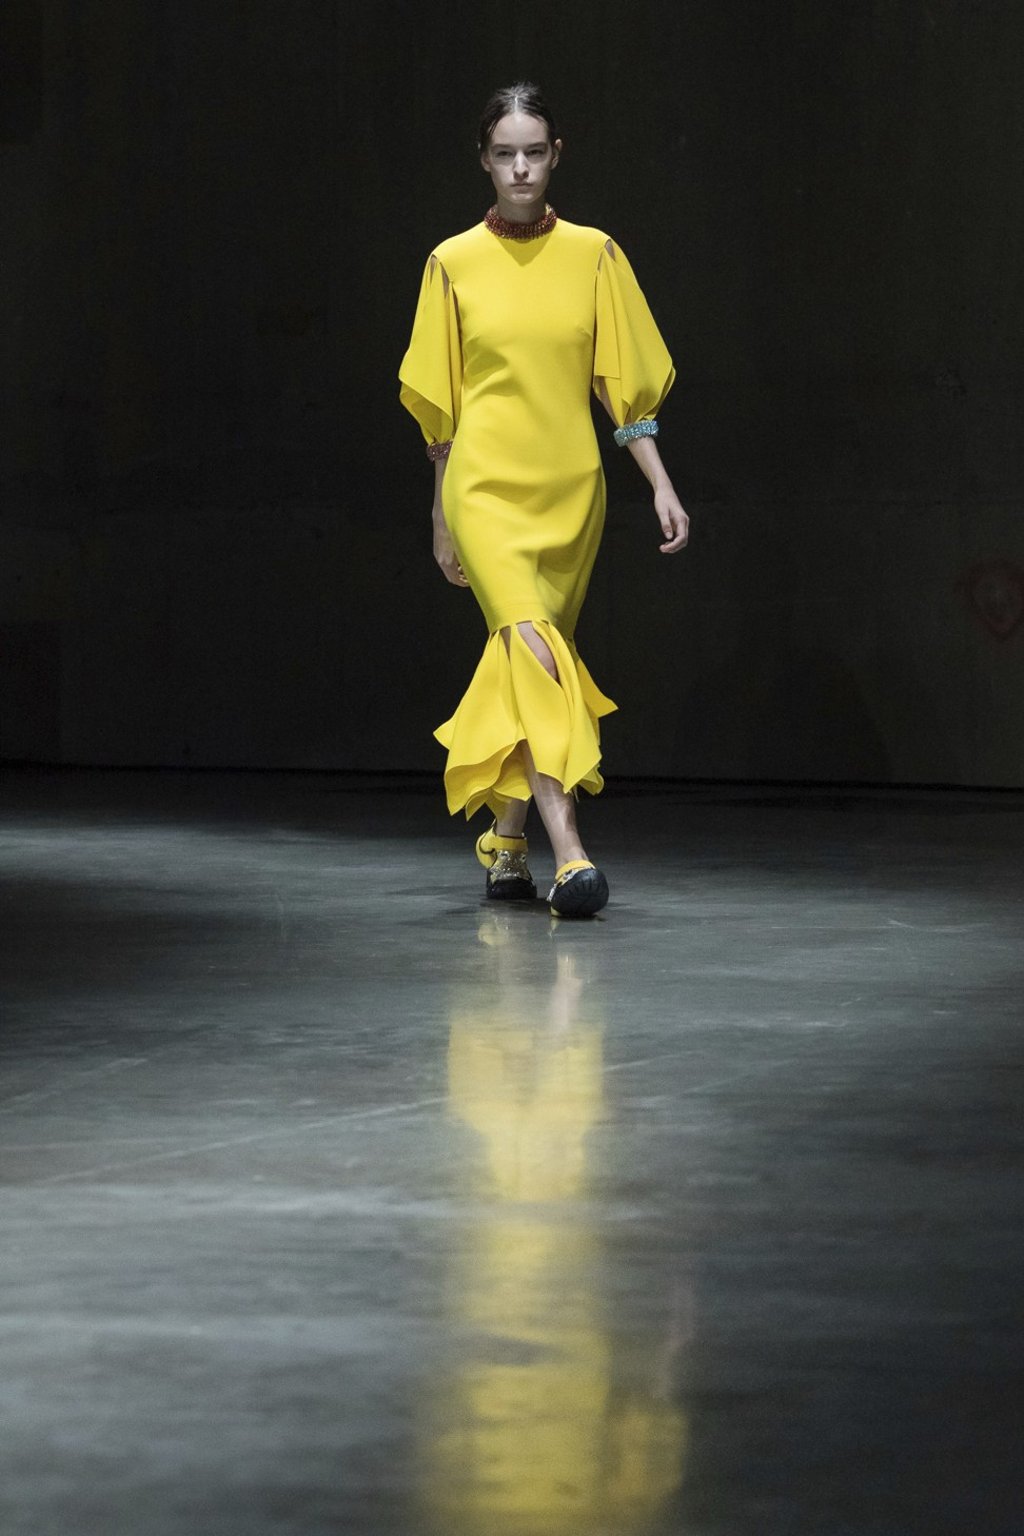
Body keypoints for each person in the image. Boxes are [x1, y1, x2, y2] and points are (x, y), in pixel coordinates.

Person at [399, 82, 688, 919]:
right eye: (503, 154)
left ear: (557, 154)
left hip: (571, 489)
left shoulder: (596, 254)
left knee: (532, 663)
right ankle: (573, 856)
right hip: (484, 487)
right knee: (532, 646)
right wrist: (440, 513)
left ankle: (506, 843)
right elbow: (443, 416)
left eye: (534, 152)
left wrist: (661, 484)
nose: (519, 167)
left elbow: (622, 392)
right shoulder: (451, 263)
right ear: (483, 160)